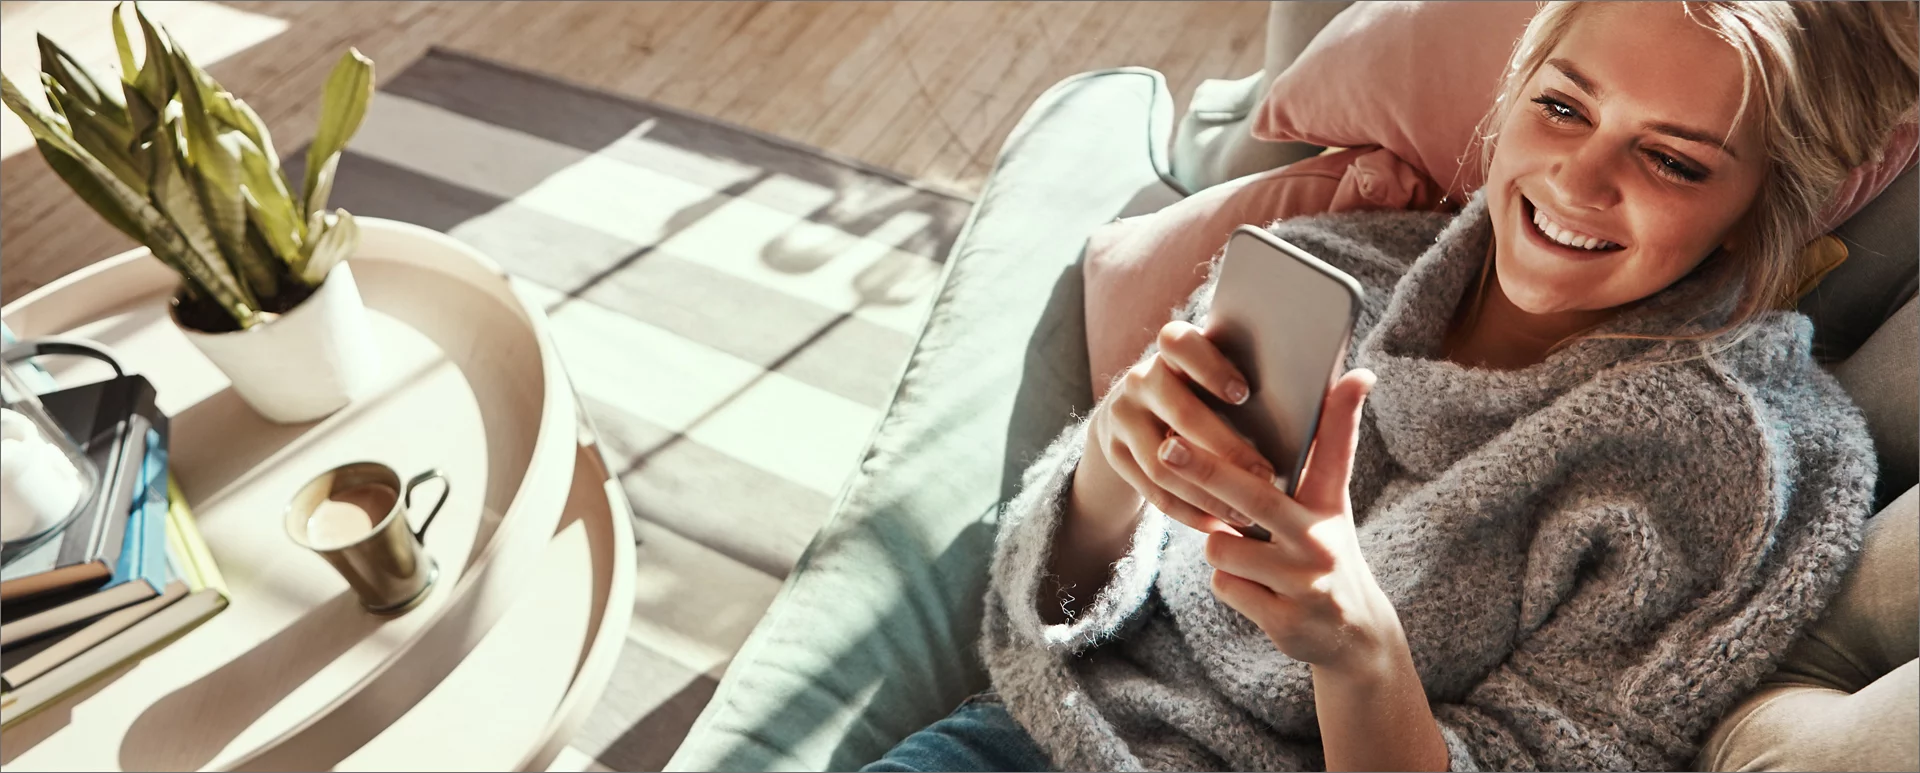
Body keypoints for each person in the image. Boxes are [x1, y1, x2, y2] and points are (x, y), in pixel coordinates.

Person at [860, 1, 1919, 771]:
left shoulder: (1748, 466)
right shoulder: (1328, 267)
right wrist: (1109, 472)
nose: (1579, 179)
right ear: (1513, 96)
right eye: (1562, 107)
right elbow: (1054, 611)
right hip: (1019, 742)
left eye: (1673, 161)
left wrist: (1358, 653)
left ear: (1761, 204)